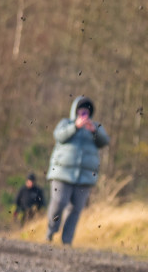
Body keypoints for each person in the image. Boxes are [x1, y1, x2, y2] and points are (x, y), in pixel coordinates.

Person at [46, 96, 109, 245]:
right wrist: (75, 126)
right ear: (75, 111)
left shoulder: (95, 127)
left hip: (85, 176)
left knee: (76, 209)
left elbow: (105, 141)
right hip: (62, 173)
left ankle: (66, 241)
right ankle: (50, 231)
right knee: (59, 202)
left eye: (87, 111)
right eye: (81, 111)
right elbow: (58, 136)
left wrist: (94, 131)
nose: (84, 114)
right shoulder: (66, 123)